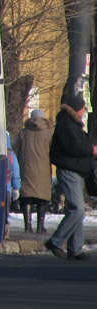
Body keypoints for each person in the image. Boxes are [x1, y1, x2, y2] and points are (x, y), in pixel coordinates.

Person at [44, 93, 97, 261]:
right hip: (69, 171)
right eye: (82, 109)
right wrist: (92, 150)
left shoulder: (70, 124)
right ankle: (56, 241)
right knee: (77, 209)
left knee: (76, 210)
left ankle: (75, 248)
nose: (83, 112)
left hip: (75, 171)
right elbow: (75, 147)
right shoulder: (68, 125)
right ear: (76, 109)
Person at [18, 108, 54, 233]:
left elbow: (18, 149)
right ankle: (40, 226)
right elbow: (53, 151)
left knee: (26, 197)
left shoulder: (23, 133)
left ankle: (27, 226)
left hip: (26, 169)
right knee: (42, 198)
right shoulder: (49, 133)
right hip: (43, 169)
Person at [6, 131, 20, 234]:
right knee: (5, 211)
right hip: (7, 190)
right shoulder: (11, 155)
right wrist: (16, 188)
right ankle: (5, 229)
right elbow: (15, 172)